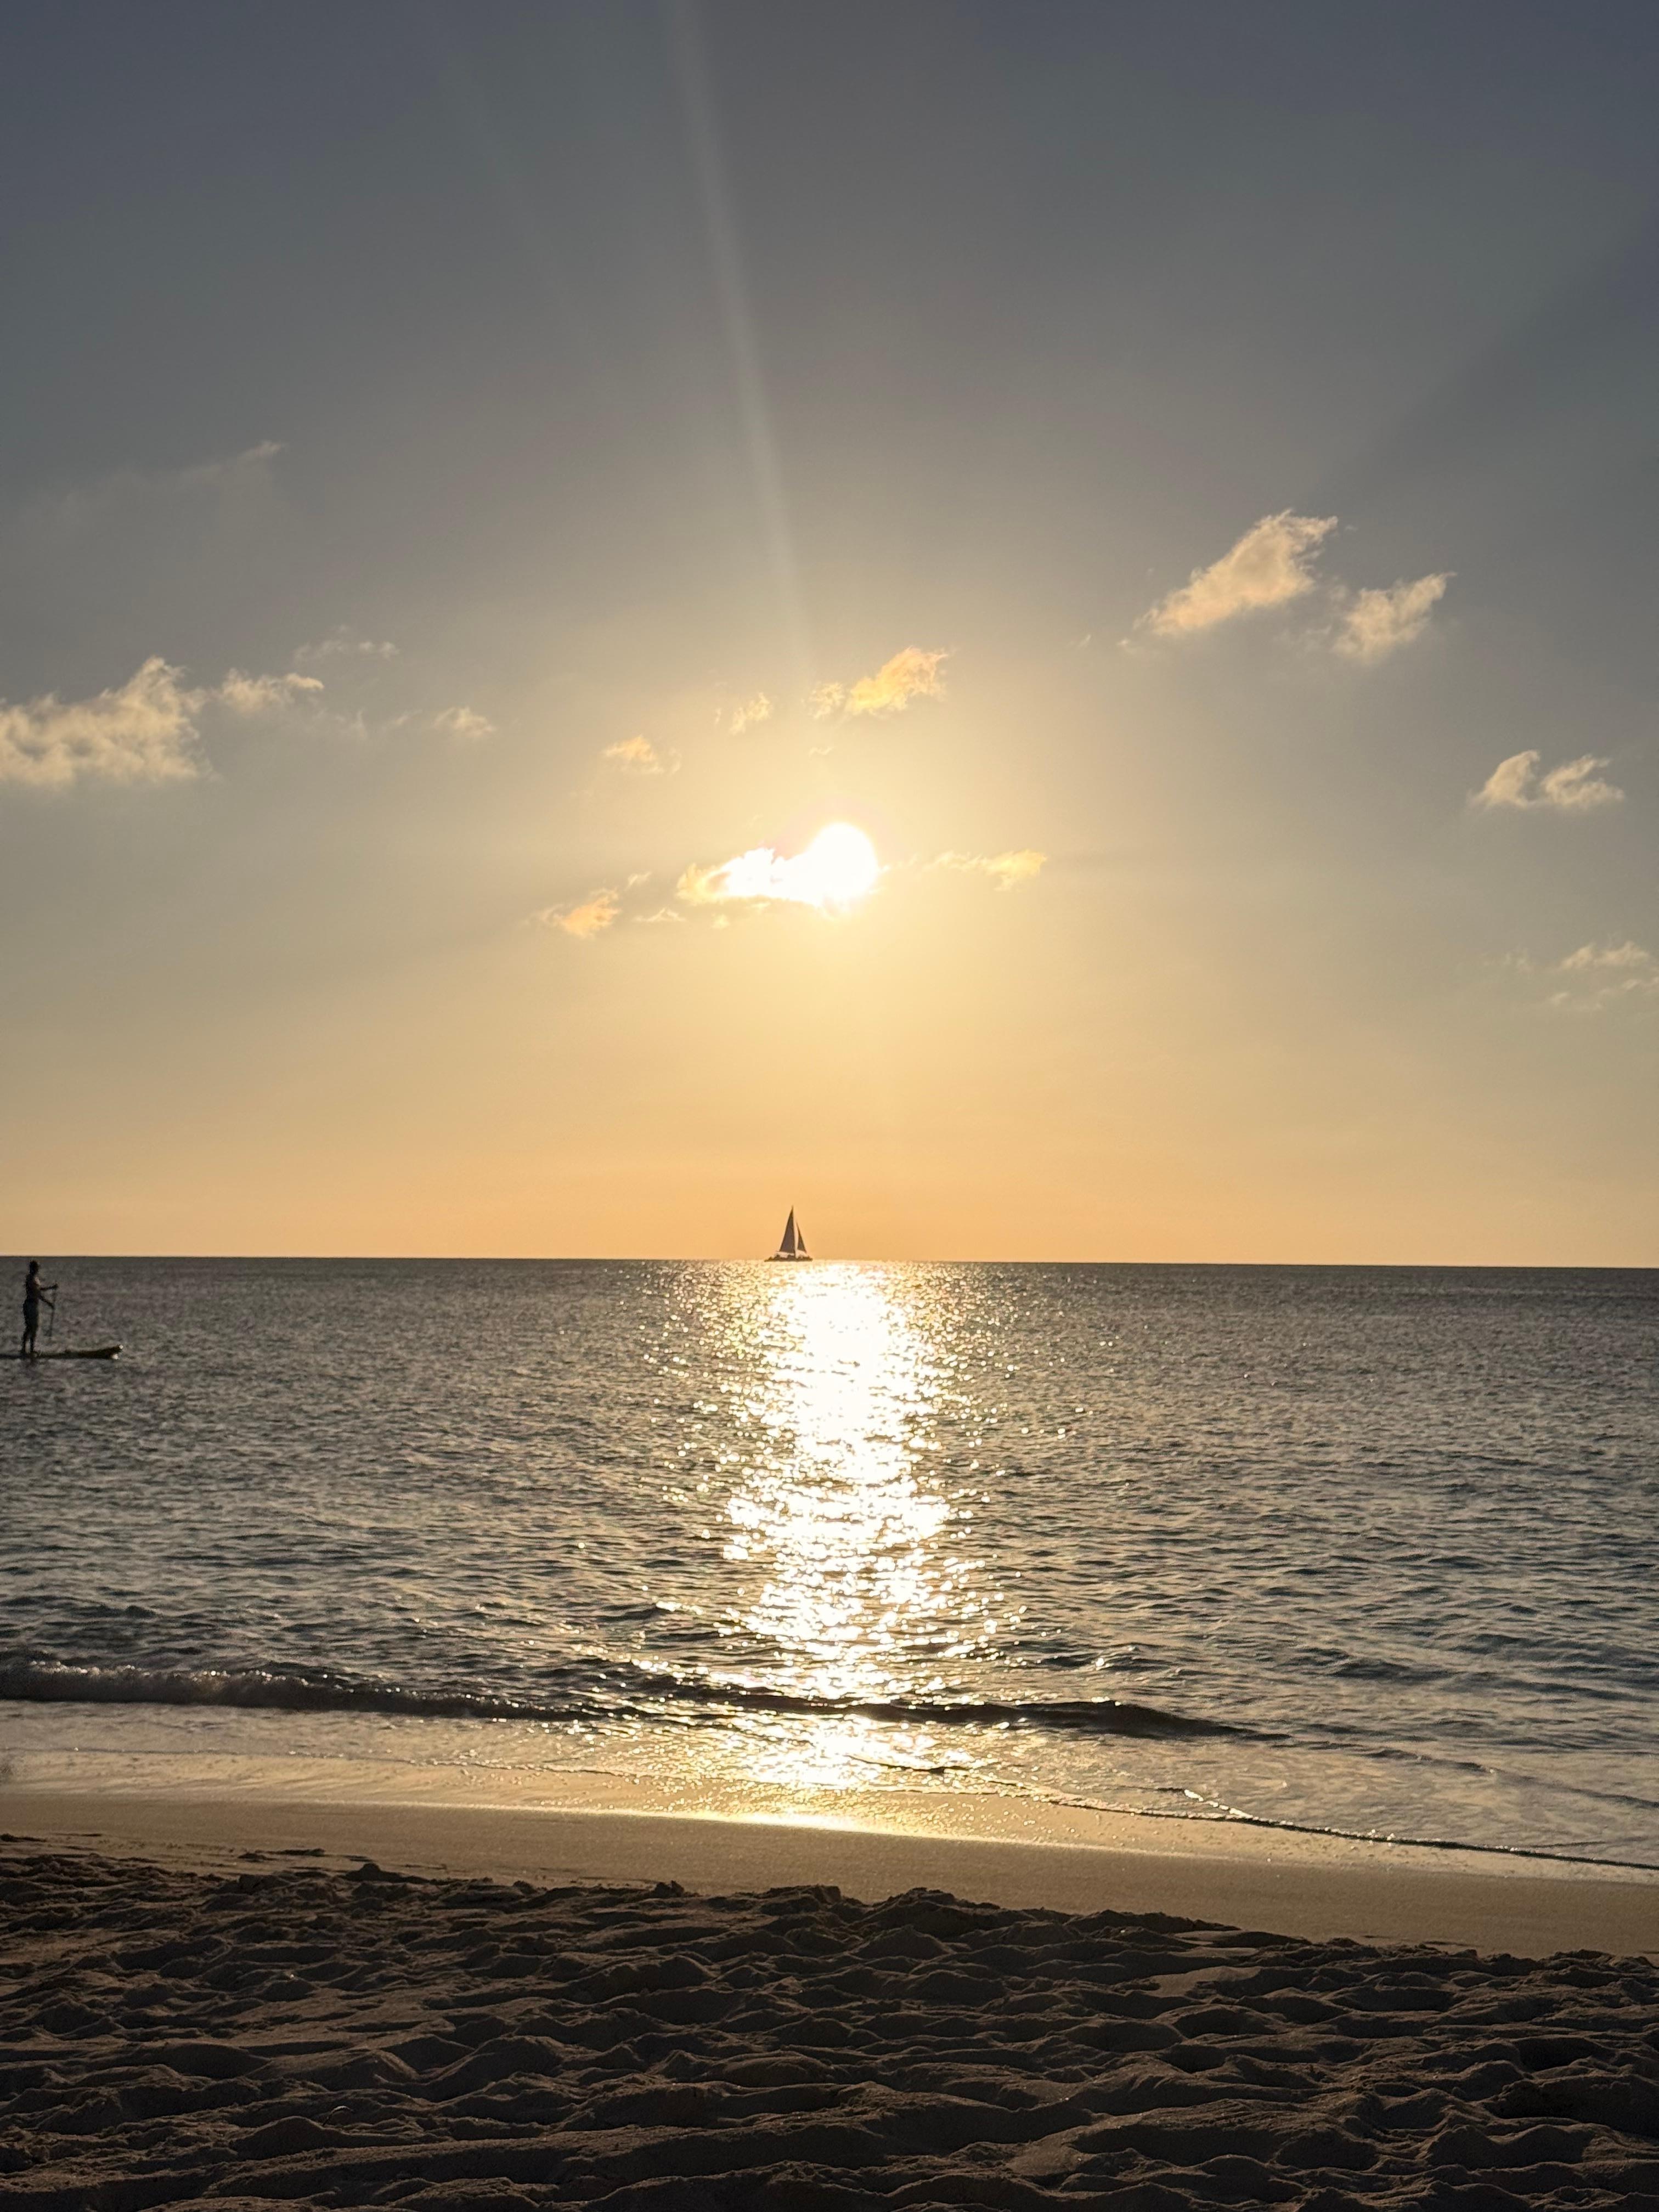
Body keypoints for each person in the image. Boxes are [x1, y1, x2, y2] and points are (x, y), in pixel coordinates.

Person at [21, 1261, 56, 1358]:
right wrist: (48, 1303)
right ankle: (24, 1349)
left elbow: (40, 1289)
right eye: (36, 1268)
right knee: (30, 1327)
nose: (37, 1270)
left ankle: (32, 1349)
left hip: (34, 1305)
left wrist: (51, 1288)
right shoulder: (30, 1279)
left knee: (35, 1328)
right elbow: (37, 1293)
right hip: (29, 1305)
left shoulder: (36, 1279)